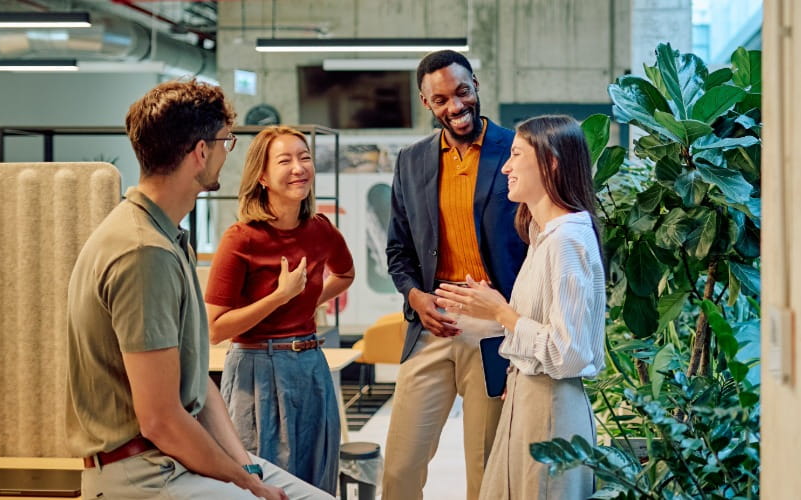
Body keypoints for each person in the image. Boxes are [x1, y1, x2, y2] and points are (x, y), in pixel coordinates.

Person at [65, 80, 331, 499]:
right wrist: (246, 483)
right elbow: (161, 421)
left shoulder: (167, 237)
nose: (230, 153)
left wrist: (244, 467)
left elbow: (196, 385)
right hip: (147, 473)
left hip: (175, 459)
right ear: (201, 152)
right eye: (227, 141)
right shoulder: (142, 253)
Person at [434, 115, 606, 499]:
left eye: (515, 154)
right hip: (527, 398)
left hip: (550, 409)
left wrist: (501, 313)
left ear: (551, 162)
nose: (506, 167)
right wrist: (490, 311)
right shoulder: (544, 236)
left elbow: (569, 352)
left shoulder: (565, 241)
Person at [382, 49, 528, 500]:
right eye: (441, 99)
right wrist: (414, 297)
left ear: (476, 86)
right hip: (432, 323)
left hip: (492, 325)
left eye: (462, 92)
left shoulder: (518, 150)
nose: (455, 106)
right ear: (427, 104)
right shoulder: (412, 161)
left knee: (484, 468)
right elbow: (398, 251)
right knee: (401, 466)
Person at [204, 125, 356, 495]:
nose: (299, 167)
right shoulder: (240, 238)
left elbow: (345, 273)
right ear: (262, 176)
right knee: (264, 480)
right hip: (256, 370)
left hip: (311, 365)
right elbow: (214, 328)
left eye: (304, 158)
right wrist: (280, 297)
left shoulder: (321, 229)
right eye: (285, 160)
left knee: (318, 477)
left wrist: (306, 299)